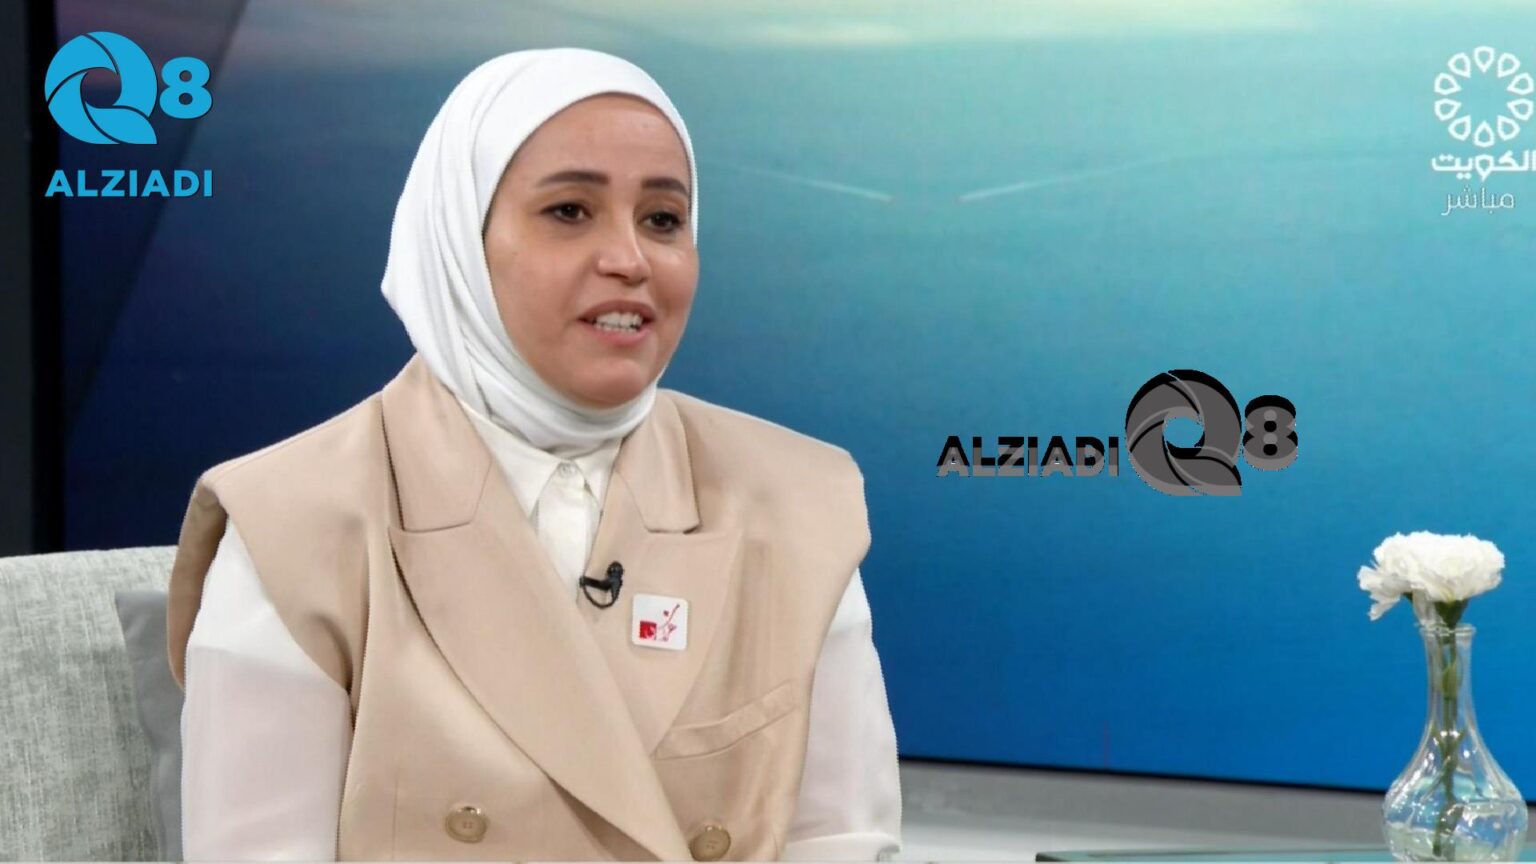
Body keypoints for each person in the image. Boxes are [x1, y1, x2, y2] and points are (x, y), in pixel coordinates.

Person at [165, 47, 901, 862]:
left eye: (663, 220)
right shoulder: (293, 523)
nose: (630, 259)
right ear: (458, 240)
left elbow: (842, 841)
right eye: (570, 211)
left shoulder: (798, 505)